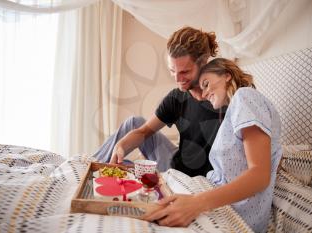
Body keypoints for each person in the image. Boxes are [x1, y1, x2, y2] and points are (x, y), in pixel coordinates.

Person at [143, 58, 282, 233]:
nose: (203, 94)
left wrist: (197, 203)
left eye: (206, 84)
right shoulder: (235, 112)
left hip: (235, 212)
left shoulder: (245, 96)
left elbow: (260, 175)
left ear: (227, 76)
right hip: (214, 193)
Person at [93, 26, 226, 177]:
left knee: (130, 169)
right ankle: (89, 169)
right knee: (134, 123)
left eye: (184, 72)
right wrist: (121, 145)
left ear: (203, 63)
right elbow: (143, 132)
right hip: (176, 161)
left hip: (190, 177)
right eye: (172, 71)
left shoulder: (224, 97)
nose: (177, 79)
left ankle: (94, 170)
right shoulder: (176, 98)